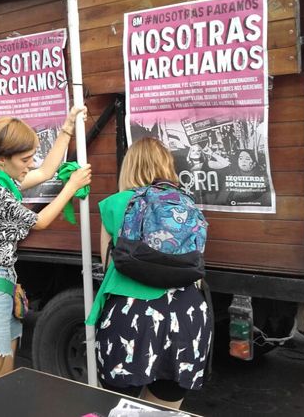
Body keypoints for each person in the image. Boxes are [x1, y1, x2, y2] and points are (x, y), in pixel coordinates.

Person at [0, 106, 92, 390]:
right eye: (25, 159)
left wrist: (67, 128)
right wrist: (72, 185)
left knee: (3, 379)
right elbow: (40, 221)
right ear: (3, 158)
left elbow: (45, 171)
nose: (30, 164)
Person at [86, 137, 212, 410]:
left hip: (130, 317)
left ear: (129, 167)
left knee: (119, 408)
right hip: (186, 316)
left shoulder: (114, 204)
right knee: (163, 410)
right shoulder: (185, 204)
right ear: (166, 165)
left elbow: (108, 263)